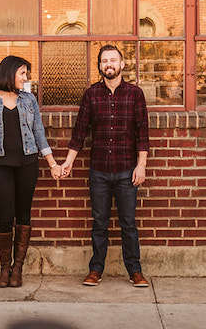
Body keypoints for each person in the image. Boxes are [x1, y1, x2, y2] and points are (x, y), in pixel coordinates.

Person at [59, 44, 151, 287]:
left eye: (113, 60)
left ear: (122, 64)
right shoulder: (91, 94)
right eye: (104, 61)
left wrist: (141, 166)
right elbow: (79, 133)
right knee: (99, 222)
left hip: (126, 170)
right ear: (100, 66)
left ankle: (135, 271)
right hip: (98, 170)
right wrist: (68, 162)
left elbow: (143, 134)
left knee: (128, 223)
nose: (109, 64)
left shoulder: (135, 94)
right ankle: (95, 269)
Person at [0, 54, 62, 288]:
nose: (26, 78)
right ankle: (4, 269)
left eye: (26, 73)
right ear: (10, 73)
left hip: (27, 164)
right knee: (5, 217)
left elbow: (38, 133)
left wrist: (52, 163)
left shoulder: (29, 100)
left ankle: (17, 270)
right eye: (22, 73)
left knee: (24, 215)